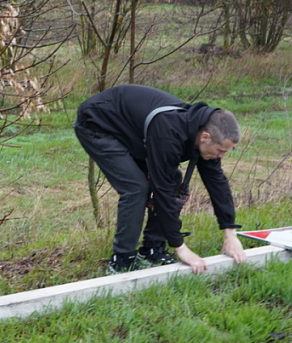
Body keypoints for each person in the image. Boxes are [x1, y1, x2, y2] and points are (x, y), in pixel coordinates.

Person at [73, 84, 247, 275]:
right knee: (136, 187)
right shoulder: (169, 133)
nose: (221, 156)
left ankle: (152, 250)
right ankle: (122, 260)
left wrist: (230, 232)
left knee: (173, 179)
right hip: (98, 124)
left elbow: (216, 181)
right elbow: (161, 189)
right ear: (205, 137)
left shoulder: (202, 132)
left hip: (131, 128)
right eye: (221, 150)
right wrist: (180, 247)